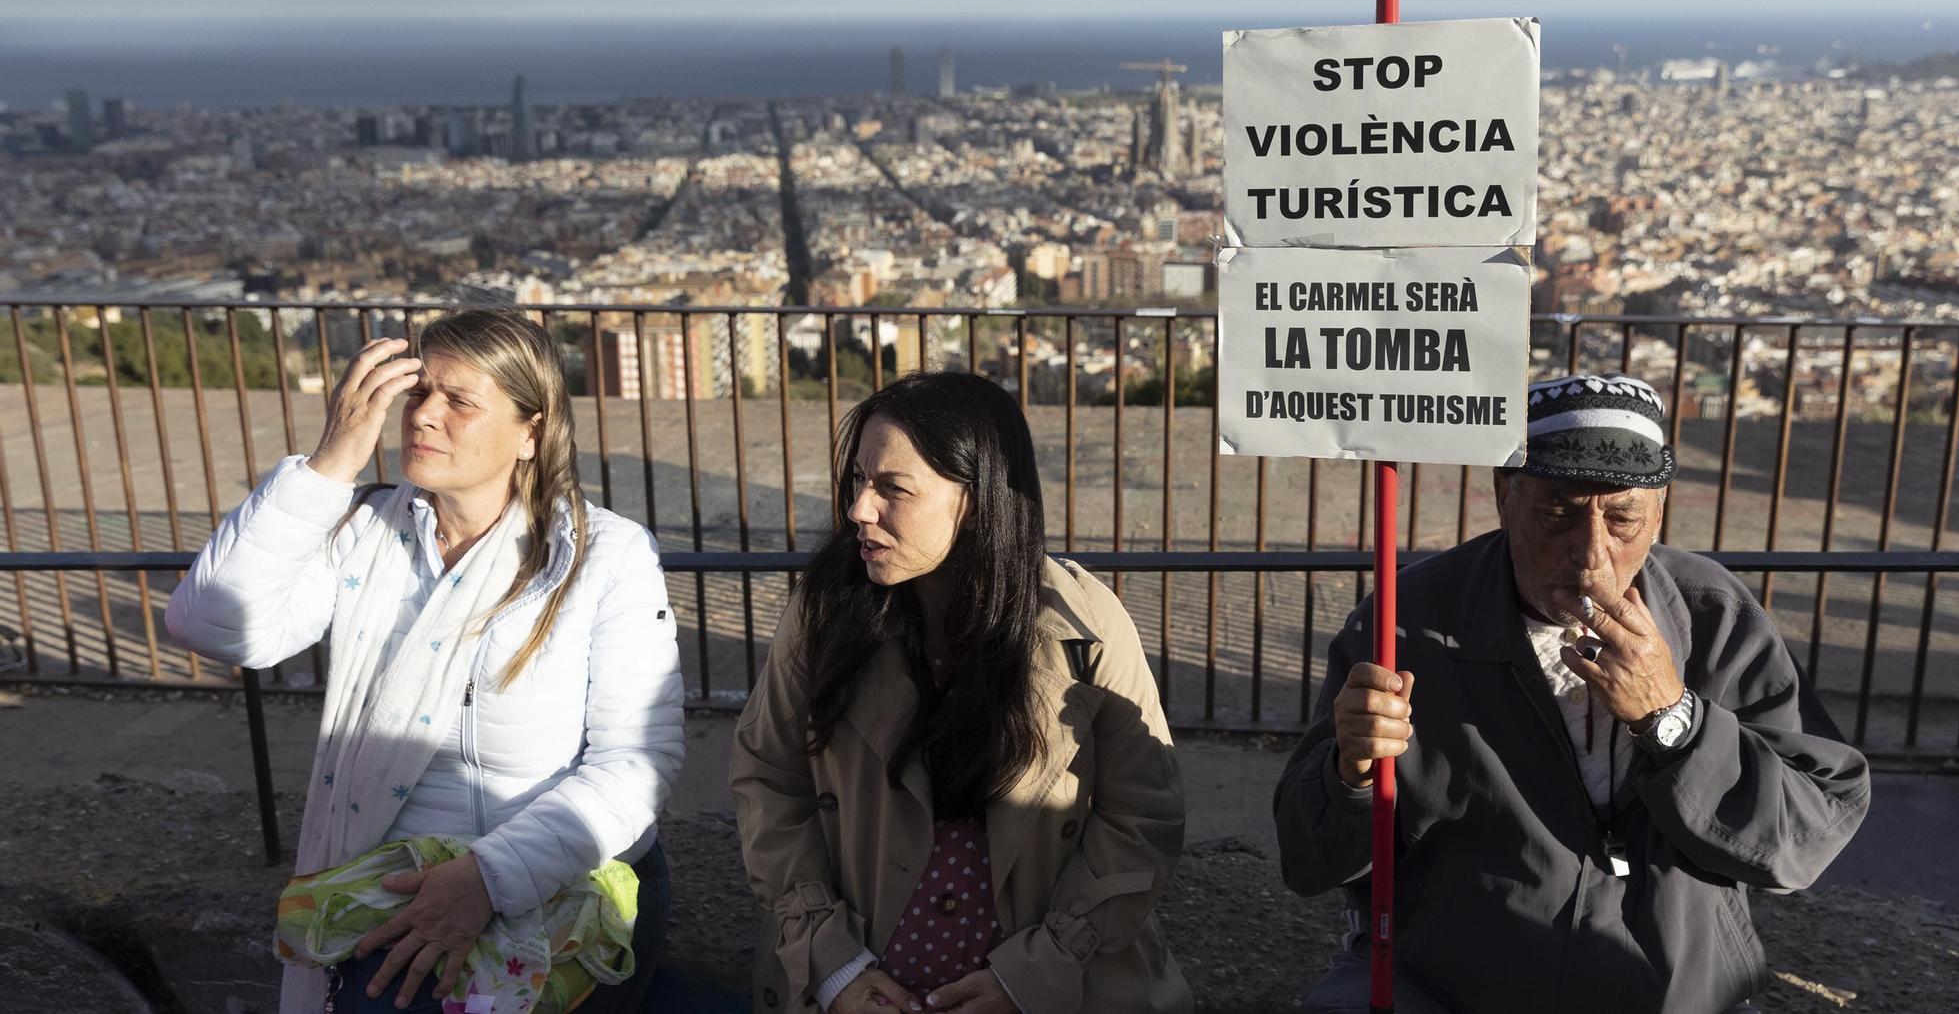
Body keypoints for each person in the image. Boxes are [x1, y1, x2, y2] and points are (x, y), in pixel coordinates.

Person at [1274, 373, 1871, 1014]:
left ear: (1660, 511)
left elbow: (1807, 837)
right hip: (1446, 981)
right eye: (1557, 513)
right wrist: (1351, 774)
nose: (1590, 555)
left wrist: (1675, 721)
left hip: (1669, 988)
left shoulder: (1715, 617)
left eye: (1622, 518)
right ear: (1505, 494)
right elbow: (1309, 860)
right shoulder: (1405, 617)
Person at [166, 310, 685, 1014]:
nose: (424, 416)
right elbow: (209, 623)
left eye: (460, 400)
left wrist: (487, 877)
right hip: (388, 871)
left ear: (531, 432)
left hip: (548, 873)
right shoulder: (364, 531)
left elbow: (636, 760)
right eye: (418, 393)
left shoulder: (605, 557)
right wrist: (330, 463)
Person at [731, 371, 1191, 1014]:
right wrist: (832, 965)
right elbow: (768, 779)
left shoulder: (1087, 624)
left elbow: (1143, 817)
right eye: (859, 481)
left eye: (892, 488)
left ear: (975, 502)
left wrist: (1036, 974)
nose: (859, 509)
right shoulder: (825, 615)